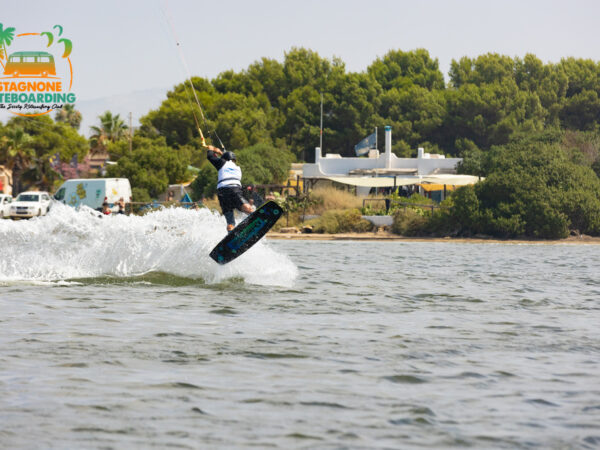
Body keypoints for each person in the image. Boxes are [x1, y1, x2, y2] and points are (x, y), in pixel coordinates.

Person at [205, 144, 254, 232]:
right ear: (234, 160)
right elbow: (225, 160)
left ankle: (231, 230)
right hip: (234, 190)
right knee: (246, 208)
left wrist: (211, 149)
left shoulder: (221, 163)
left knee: (230, 221)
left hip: (222, 192)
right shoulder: (238, 168)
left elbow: (210, 156)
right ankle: (254, 216)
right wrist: (220, 152)